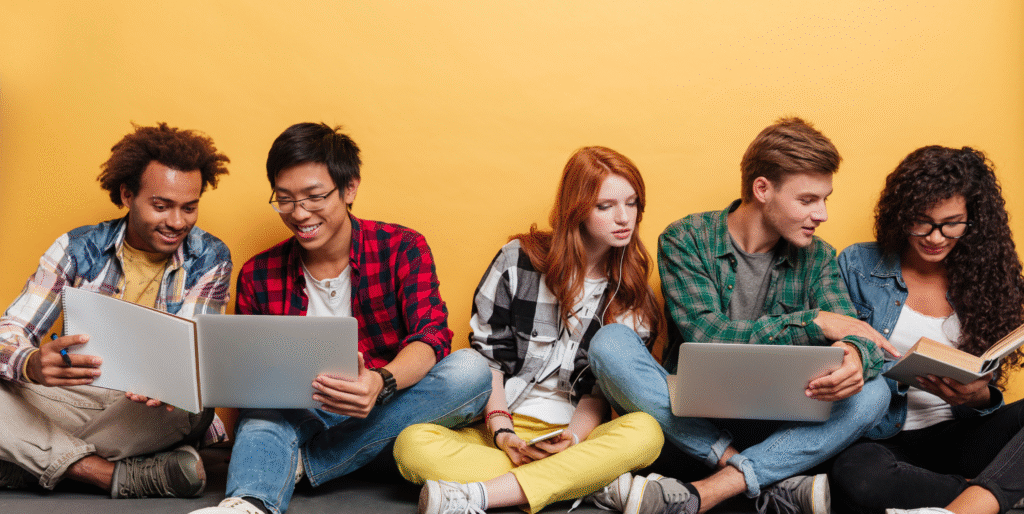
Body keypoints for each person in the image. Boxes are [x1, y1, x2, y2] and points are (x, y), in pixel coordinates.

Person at [588, 117, 897, 514]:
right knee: (609, 343)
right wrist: (813, 322)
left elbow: (855, 333)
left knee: (875, 392)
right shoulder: (686, 238)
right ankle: (761, 480)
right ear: (762, 189)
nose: (821, 214)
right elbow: (707, 335)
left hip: (781, 428)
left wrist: (854, 354)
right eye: (807, 200)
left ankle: (720, 486)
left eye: (825, 199)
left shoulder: (818, 256)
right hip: (691, 423)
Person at [191, 123, 491, 514]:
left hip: (387, 415)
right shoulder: (258, 274)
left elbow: (431, 337)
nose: (300, 214)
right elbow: (252, 382)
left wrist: (380, 383)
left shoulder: (402, 247)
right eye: (285, 200)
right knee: (262, 414)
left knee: (471, 370)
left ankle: (302, 464)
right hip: (299, 417)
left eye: (314, 197)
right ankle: (247, 505)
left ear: (349, 188)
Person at [393, 146, 665, 514]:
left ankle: (484, 495)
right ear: (577, 209)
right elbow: (488, 361)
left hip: (578, 436)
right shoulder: (517, 261)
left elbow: (599, 393)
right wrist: (504, 434)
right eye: (605, 206)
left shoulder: (633, 293)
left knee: (647, 432)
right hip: (502, 425)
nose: (624, 217)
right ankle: (587, 482)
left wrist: (572, 439)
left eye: (632, 204)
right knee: (410, 445)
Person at [0, 123, 232, 498]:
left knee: (193, 402)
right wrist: (30, 363)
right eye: (161, 206)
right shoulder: (76, 247)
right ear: (127, 194)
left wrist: (173, 379)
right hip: (77, 399)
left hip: (152, 411)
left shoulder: (210, 256)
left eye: (189, 208)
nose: (177, 222)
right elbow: (10, 330)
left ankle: (25, 457)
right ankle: (107, 474)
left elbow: (190, 357)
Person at [831, 146, 1024, 514]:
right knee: (858, 476)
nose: (935, 237)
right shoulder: (858, 265)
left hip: (962, 435)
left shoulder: (986, 277)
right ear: (900, 215)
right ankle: (992, 493)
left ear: (974, 220)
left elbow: (984, 383)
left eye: (952, 223)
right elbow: (836, 360)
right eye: (921, 221)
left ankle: (966, 503)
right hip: (883, 440)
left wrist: (976, 397)